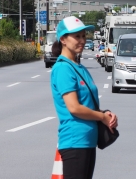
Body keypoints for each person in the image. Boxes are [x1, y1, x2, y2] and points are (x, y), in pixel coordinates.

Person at [50, 16, 118, 179]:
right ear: (63, 40)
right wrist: (101, 117)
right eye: (76, 36)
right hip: (74, 140)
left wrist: (106, 114)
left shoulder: (78, 67)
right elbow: (74, 108)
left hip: (87, 140)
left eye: (83, 35)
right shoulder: (63, 68)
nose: (82, 40)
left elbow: (87, 104)